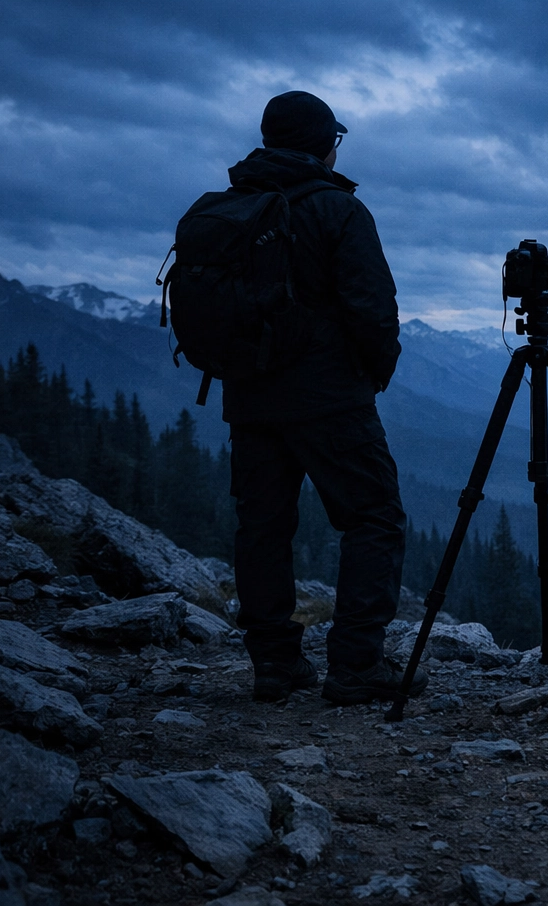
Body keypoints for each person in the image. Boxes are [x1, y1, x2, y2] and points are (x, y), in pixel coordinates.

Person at [222, 90, 426, 705]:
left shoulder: (235, 206)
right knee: (372, 517)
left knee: (263, 526)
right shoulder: (337, 210)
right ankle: (357, 665)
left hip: (251, 397)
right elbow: (372, 308)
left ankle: (275, 665)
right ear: (323, 143)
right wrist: (371, 376)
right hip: (330, 400)